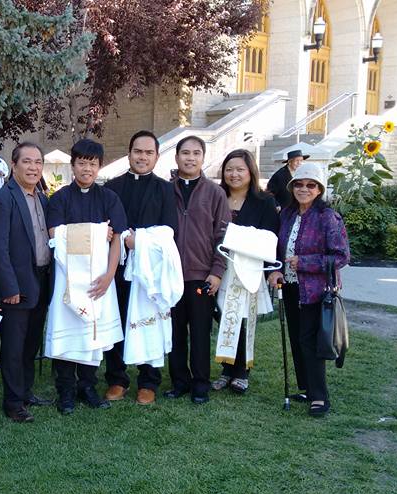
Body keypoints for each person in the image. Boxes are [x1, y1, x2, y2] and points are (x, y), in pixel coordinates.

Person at [44, 138, 127, 414]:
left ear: (99, 166)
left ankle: (88, 386)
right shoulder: (59, 199)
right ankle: (66, 389)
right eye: (82, 163)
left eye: (92, 164)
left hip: (99, 280)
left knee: (93, 333)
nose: (87, 169)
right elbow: (55, 235)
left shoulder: (109, 198)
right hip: (67, 280)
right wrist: (97, 231)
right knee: (69, 335)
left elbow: (117, 238)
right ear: (73, 165)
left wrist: (110, 275)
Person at [267, 162, 350, 417]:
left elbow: (341, 256)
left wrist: (304, 262)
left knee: (310, 341)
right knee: (296, 338)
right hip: (290, 287)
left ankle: (319, 397)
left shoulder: (328, 217)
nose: (304, 189)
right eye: (299, 184)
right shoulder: (287, 214)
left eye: (311, 185)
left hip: (316, 291)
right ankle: (306, 388)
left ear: (319, 189)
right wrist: (276, 270)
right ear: (292, 187)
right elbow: (277, 248)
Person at [101, 130, 178, 405]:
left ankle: (148, 380)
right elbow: (105, 224)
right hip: (118, 265)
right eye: (137, 151)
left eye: (148, 152)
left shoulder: (165, 189)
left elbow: (169, 231)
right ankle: (117, 378)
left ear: (156, 157)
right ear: (129, 153)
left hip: (150, 269)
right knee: (117, 317)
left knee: (149, 321)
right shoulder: (112, 187)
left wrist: (140, 242)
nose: (142, 157)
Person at [0, 142, 53, 422]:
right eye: (27, 161)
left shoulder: (43, 199)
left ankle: (25, 392)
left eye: (38, 162)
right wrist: (9, 287)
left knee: (31, 343)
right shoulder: (3, 198)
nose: (33, 167)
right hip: (16, 286)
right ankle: (13, 402)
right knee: (14, 347)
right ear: (13, 165)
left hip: (42, 281)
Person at [166, 135, 230, 405]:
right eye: (185, 153)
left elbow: (223, 237)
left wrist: (217, 271)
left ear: (203, 158)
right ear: (176, 156)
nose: (190, 158)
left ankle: (200, 384)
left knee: (200, 332)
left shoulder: (215, 193)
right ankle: (179, 381)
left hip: (202, 276)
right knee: (175, 332)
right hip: (171, 275)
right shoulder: (166, 190)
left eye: (196, 153)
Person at [212, 149, 279, 395]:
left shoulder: (264, 201)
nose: (234, 174)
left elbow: (270, 236)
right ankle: (227, 368)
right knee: (224, 317)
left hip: (247, 269)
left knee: (242, 320)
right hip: (219, 267)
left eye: (240, 169)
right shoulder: (217, 196)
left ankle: (241, 372)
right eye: (229, 169)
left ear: (251, 172)